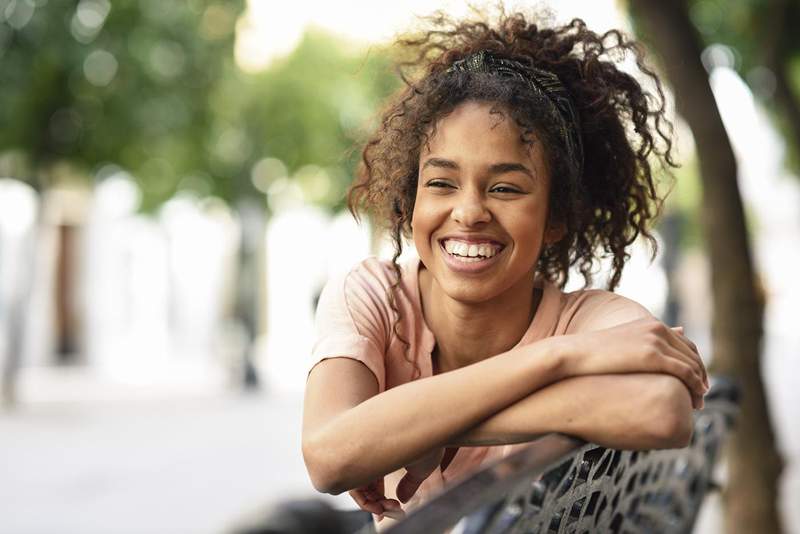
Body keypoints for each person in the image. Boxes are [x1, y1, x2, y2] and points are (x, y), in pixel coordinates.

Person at [301, 9, 708, 532]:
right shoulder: (371, 295)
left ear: (556, 216)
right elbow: (327, 455)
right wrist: (561, 359)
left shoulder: (588, 319)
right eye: (442, 184)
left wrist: (426, 428)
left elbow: (662, 408)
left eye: (506, 188)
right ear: (410, 199)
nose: (469, 212)